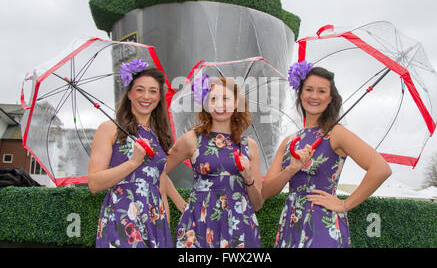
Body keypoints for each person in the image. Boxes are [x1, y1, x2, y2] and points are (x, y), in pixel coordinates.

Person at [262, 62, 392, 248]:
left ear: (330, 98)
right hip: (290, 226)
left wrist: (345, 204)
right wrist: (290, 169)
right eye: (309, 89)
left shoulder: (336, 133)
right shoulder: (289, 141)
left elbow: (381, 169)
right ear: (300, 93)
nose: (314, 96)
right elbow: (266, 191)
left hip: (323, 225)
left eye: (322, 91)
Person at [88, 60, 185, 248]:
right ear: (130, 94)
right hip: (122, 218)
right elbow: (94, 183)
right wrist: (133, 162)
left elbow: (161, 185)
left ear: (159, 97)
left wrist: (165, 227)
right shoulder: (109, 129)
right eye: (140, 89)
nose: (146, 96)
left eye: (153, 91)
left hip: (156, 221)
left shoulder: (159, 135)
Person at [165, 76, 264, 248]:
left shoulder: (249, 146)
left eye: (225, 98)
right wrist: (180, 203)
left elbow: (257, 204)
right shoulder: (192, 139)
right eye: (213, 98)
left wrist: (248, 178)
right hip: (199, 224)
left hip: (240, 225)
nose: (220, 105)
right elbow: (158, 171)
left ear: (236, 103)